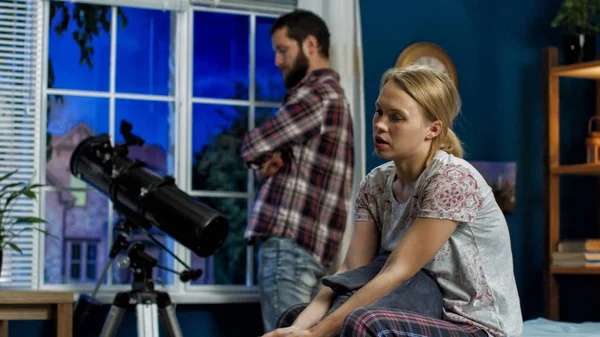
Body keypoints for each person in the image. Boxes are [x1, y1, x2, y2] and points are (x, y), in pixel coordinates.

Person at [263, 65, 523, 337]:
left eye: (396, 117)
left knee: (362, 324)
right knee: (292, 317)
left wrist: (318, 334)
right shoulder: (375, 184)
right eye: (379, 111)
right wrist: (299, 328)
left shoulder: (452, 179)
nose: (380, 124)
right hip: (417, 308)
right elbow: (353, 269)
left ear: (433, 129)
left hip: (476, 328)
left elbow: (398, 270)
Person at [239, 9, 355, 333]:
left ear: (311, 44)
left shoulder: (316, 95)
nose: (277, 61)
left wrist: (259, 157)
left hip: (290, 250)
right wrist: (268, 165)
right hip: (312, 252)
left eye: (282, 49)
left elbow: (251, 146)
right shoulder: (336, 99)